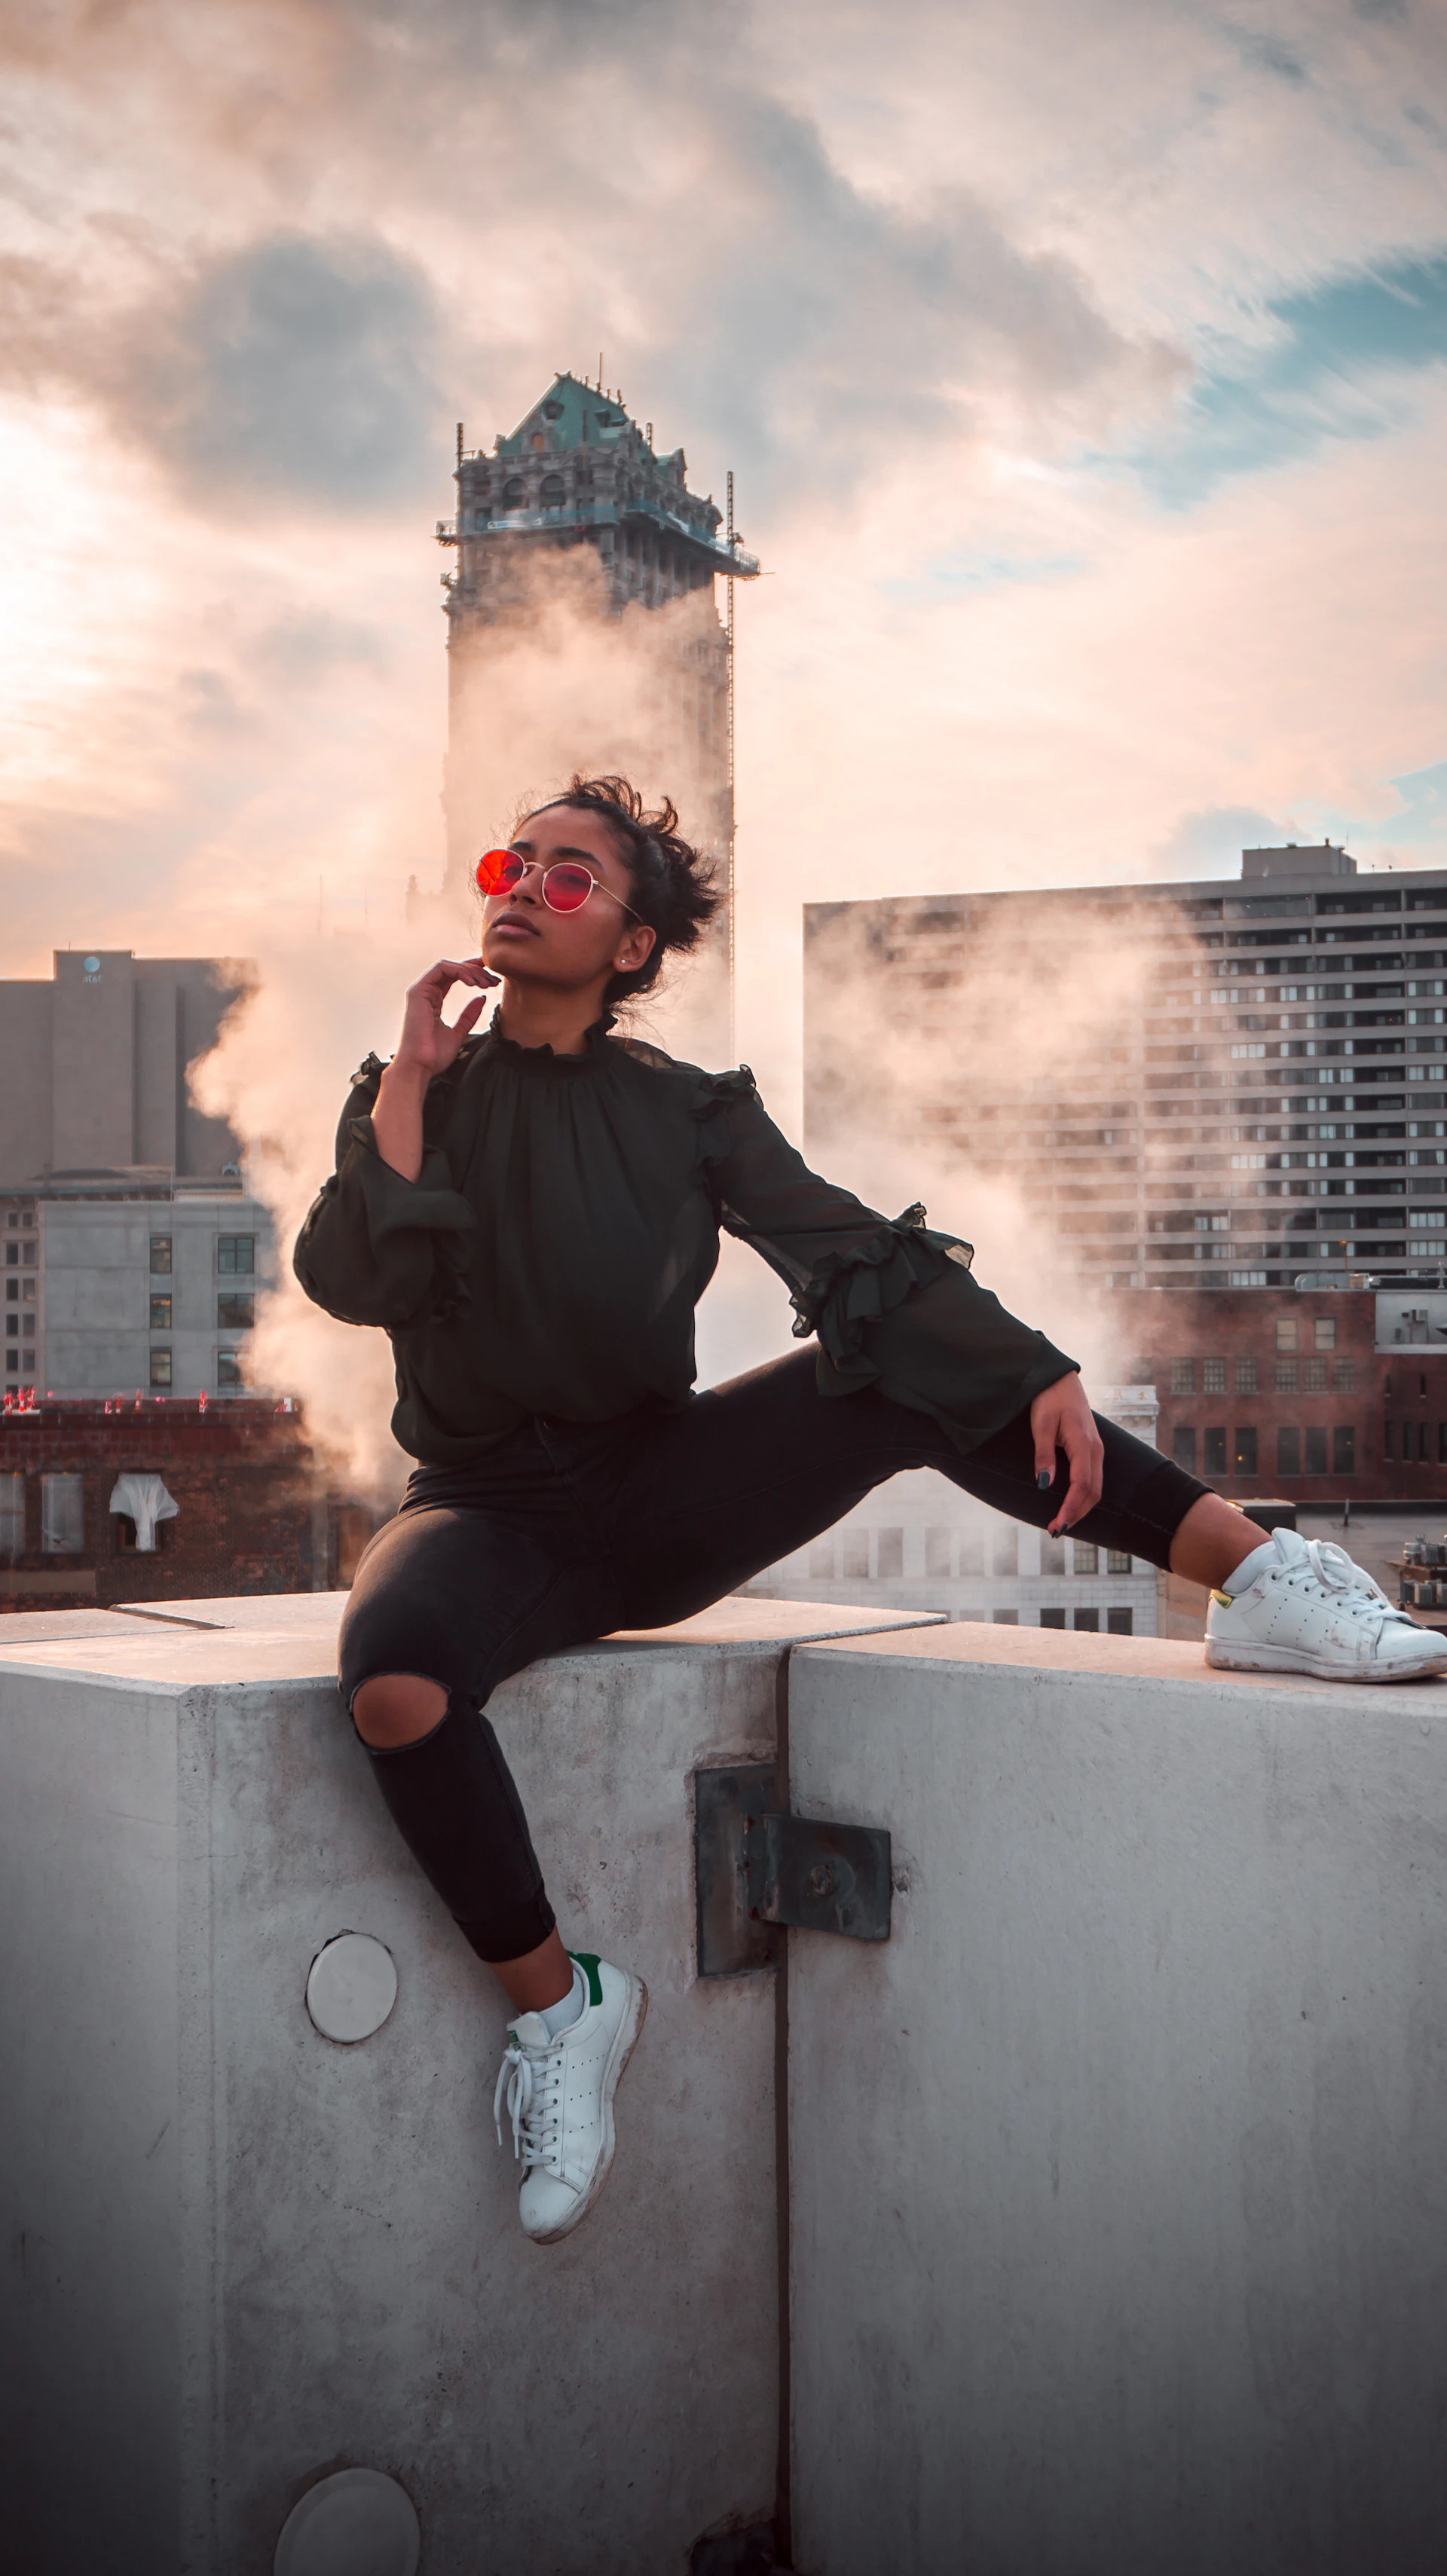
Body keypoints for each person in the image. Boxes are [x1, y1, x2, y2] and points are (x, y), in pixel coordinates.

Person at [294, 775, 1447, 2247]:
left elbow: (849, 1253)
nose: (523, 884)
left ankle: (1266, 1577)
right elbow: (360, 1280)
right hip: (484, 1507)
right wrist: (404, 1070)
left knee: (903, 1364)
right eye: (510, 862)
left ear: (634, 943)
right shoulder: (418, 1098)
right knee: (393, 1683)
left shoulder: (691, 1113)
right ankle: (563, 2009)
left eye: (570, 874)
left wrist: (1029, 1365)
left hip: (658, 1492)